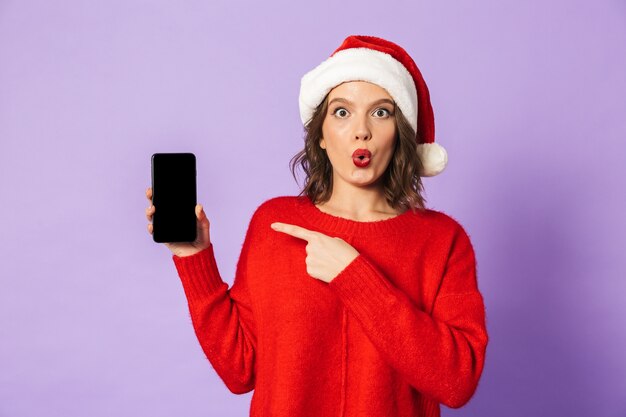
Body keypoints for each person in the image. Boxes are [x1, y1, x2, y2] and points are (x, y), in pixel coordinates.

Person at [145, 35, 488, 417]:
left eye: (381, 112)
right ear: (321, 135)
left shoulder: (442, 240)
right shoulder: (275, 224)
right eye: (342, 112)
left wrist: (354, 275)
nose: (362, 131)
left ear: (401, 133)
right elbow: (240, 370)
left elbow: (456, 382)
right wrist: (196, 260)